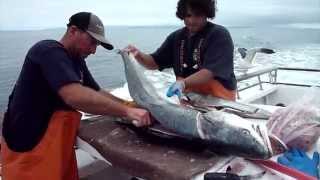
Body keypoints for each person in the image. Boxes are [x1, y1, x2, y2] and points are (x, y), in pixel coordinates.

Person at [1, 12, 151, 180]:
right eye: (92, 42)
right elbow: (74, 95)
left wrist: (131, 105)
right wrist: (126, 112)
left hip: (57, 143)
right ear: (73, 31)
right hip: (29, 146)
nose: (94, 50)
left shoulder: (76, 59)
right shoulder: (48, 51)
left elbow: (96, 92)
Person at [125, 0, 236, 101]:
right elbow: (153, 63)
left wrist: (183, 83)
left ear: (207, 14)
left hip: (220, 99)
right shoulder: (176, 37)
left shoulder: (219, 35)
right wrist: (138, 54)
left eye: (198, 15)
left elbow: (209, 72)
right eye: (188, 15)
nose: (192, 20)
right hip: (188, 97)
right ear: (182, 15)